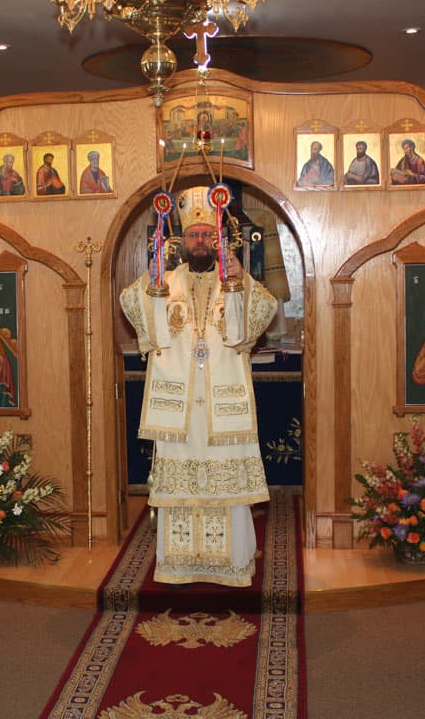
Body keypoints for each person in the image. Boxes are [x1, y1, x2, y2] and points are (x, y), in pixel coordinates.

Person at [119, 186, 278, 587]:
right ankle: (179, 566)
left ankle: (233, 564)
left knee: (228, 490)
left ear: (218, 239)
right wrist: (150, 277)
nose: (201, 241)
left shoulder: (235, 281)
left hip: (223, 408)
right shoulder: (166, 281)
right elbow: (133, 306)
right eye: (194, 235)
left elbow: (261, 317)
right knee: (179, 489)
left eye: (207, 234)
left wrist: (243, 280)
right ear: (183, 240)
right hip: (182, 410)